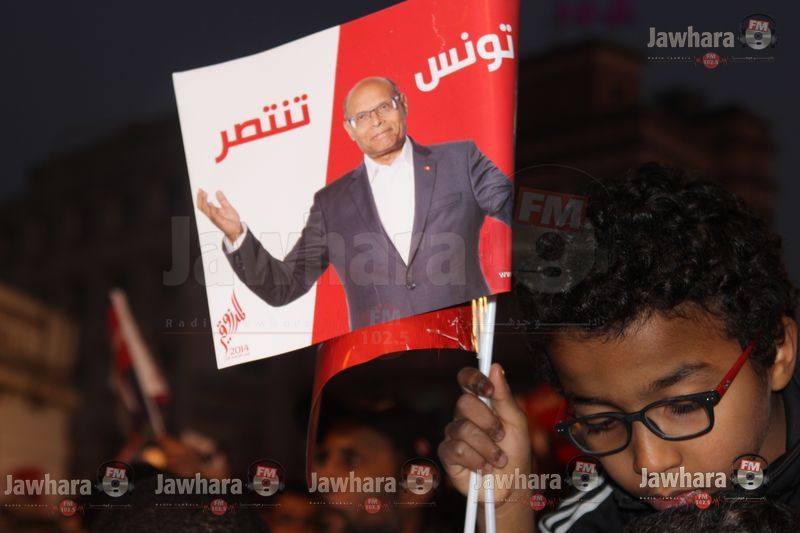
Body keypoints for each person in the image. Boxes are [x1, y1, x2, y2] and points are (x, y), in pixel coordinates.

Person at [437, 164, 800, 531]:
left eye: (683, 406)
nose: (650, 464)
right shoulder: (594, 521)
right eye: (603, 424)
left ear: (778, 351)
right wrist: (504, 511)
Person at [197, 77, 512, 330]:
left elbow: (516, 208)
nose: (376, 121)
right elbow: (285, 286)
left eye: (384, 106)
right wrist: (237, 236)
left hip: (470, 339)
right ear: (349, 129)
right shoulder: (330, 204)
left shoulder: (460, 160)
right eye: (362, 116)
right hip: (381, 365)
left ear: (403, 104)